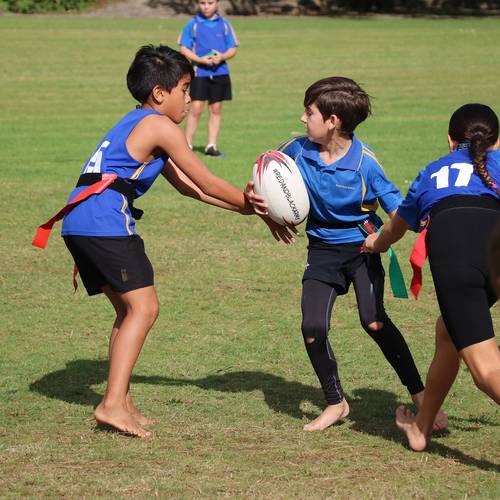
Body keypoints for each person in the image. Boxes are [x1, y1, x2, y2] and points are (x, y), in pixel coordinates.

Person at [33, 44, 293, 438]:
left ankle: (120, 400)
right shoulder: (160, 127)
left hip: (79, 220)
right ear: (160, 93)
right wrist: (255, 203)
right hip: (103, 219)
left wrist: (246, 210)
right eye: (185, 89)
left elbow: (191, 189)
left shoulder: (138, 122)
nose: (189, 99)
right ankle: (111, 405)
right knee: (145, 307)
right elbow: (206, 179)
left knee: (128, 311)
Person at [248, 76, 447, 432]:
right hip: (322, 251)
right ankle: (335, 402)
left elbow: (398, 209)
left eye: (309, 113)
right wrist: (262, 206)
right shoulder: (297, 149)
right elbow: (265, 175)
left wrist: (433, 223)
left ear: (333, 121)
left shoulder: (364, 164)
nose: (302, 119)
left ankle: (421, 397)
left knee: (374, 321)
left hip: (362, 249)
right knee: (313, 327)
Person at [364, 103, 500, 451]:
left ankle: (422, 428)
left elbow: (396, 227)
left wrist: (375, 243)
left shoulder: (431, 173)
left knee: (486, 371)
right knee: (448, 331)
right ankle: (421, 429)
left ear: (449, 140)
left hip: (460, 254)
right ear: (496, 143)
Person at [178, 0, 238, 157]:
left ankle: (211, 145)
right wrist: (200, 60)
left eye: (210, 2)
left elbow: (232, 48)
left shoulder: (224, 24)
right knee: (196, 108)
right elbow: (184, 48)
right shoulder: (193, 24)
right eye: (202, 2)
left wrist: (222, 56)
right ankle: (187, 144)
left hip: (220, 72)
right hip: (200, 73)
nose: (206, 6)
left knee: (216, 109)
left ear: (217, 3)